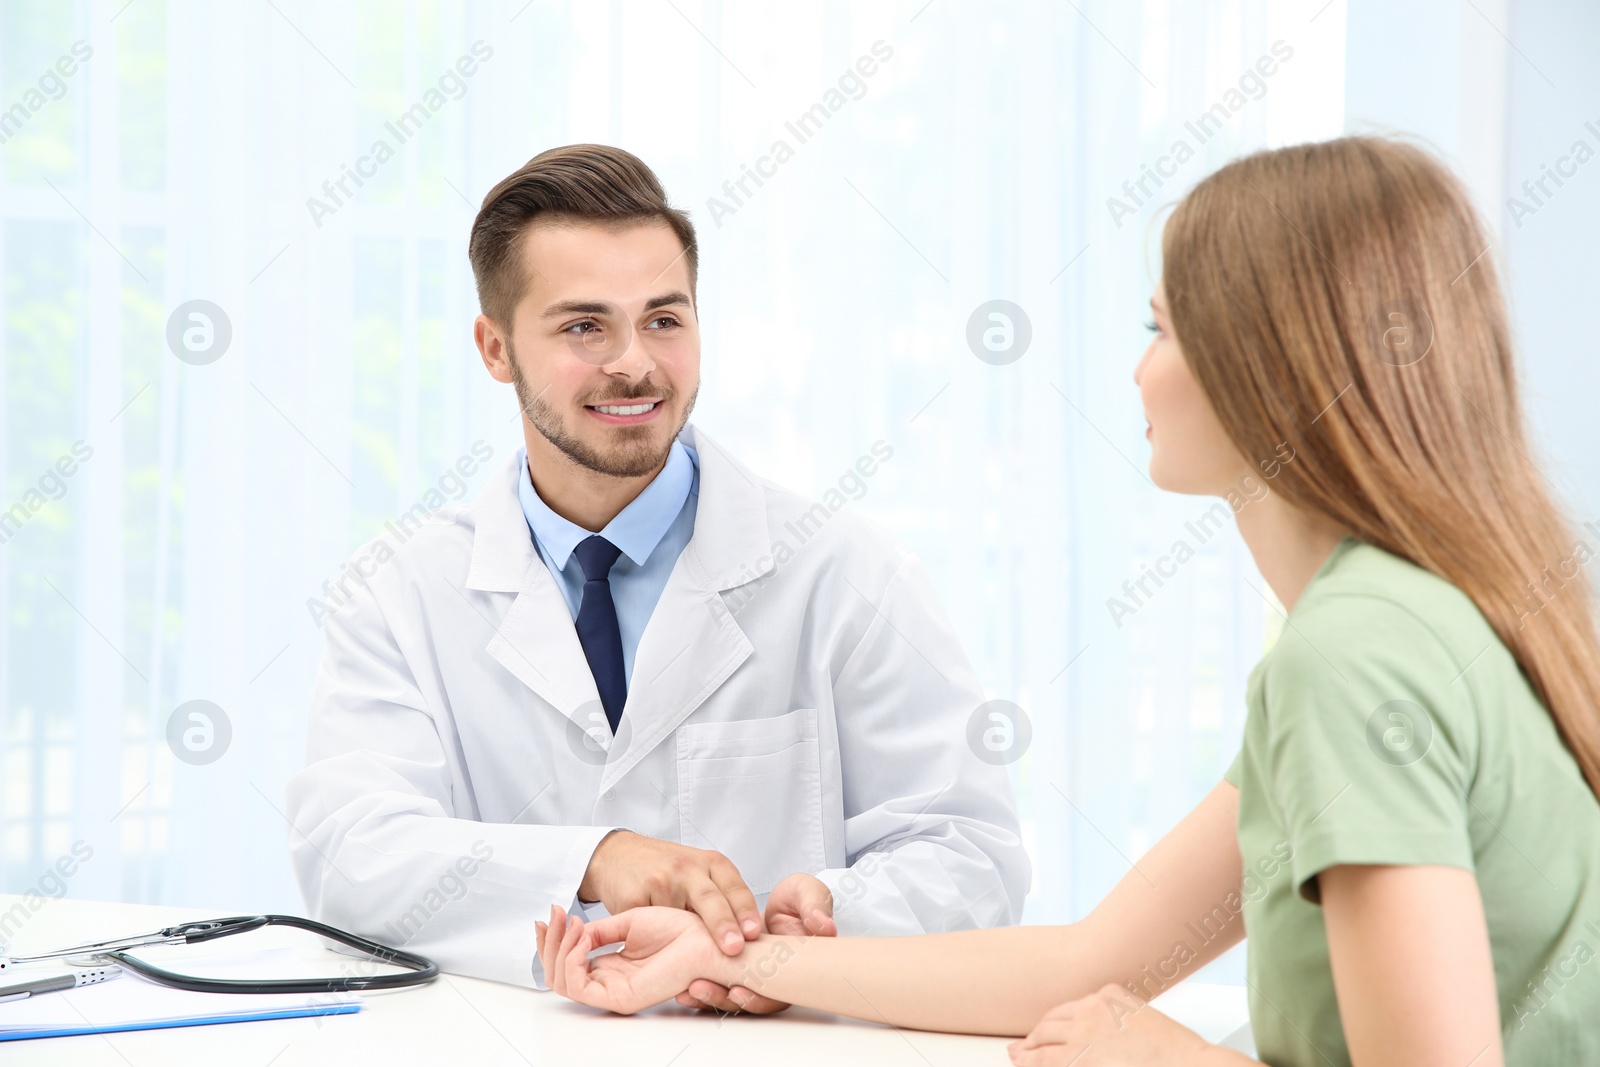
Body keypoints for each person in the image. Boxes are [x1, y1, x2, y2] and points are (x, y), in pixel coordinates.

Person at [535, 136, 1600, 1065]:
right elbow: (1092, 958)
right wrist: (744, 956)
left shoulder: (1354, 656)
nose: (1139, 374)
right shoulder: (1405, 622)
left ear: (1266, 366)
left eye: (1162, 330)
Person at [284, 145, 1030, 1008]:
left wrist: (809, 931)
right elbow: (351, 855)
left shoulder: (846, 573)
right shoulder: (399, 596)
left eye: (664, 319)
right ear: (495, 348)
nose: (635, 363)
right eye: (583, 326)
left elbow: (974, 858)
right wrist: (599, 856)